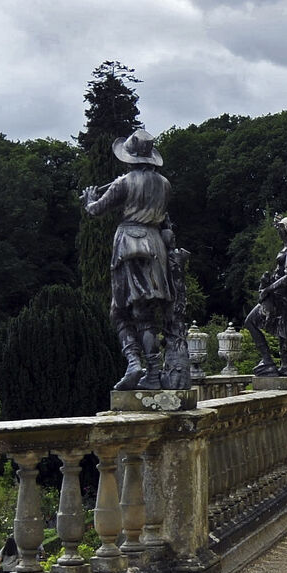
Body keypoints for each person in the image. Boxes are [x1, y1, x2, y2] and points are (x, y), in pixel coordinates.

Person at [82, 129, 173, 390]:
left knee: (120, 311)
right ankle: (152, 371)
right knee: (145, 312)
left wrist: (89, 198)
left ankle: (135, 362)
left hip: (130, 243)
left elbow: (96, 210)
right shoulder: (165, 184)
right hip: (156, 246)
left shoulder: (125, 182)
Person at [244, 216, 287, 375]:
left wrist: (269, 288)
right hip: (276, 295)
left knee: (281, 329)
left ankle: (280, 365)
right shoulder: (286, 248)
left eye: (282, 231)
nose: (280, 234)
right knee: (266, 325)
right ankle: (269, 361)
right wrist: (267, 280)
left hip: (284, 297)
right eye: (279, 231)